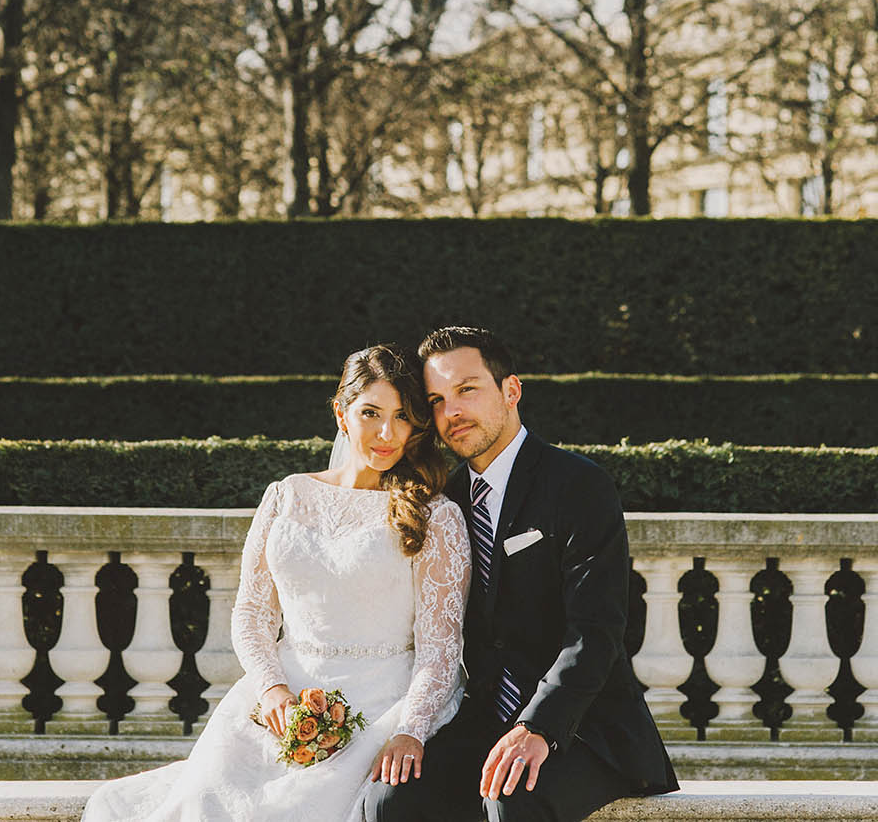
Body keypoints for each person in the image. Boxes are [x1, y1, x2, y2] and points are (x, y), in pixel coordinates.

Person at [82, 344, 471, 822]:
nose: (387, 433)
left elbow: (440, 649)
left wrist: (411, 729)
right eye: (370, 412)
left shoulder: (436, 516)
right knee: (199, 805)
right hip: (283, 693)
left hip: (384, 702)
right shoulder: (286, 496)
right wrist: (272, 690)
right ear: (341, 413)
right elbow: (251, 614)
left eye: (403, 417)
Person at [365, 326, 678, 822]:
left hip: (585, 726)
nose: (453, 413)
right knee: (390, 800)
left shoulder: (578, 485)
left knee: (513, 795)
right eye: (437, 400)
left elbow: (595, 632)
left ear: (511, 390)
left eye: (467, 390)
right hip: (485, 717)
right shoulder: (444, 502)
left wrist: (539, 726)